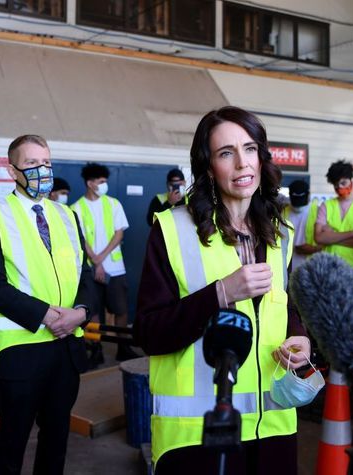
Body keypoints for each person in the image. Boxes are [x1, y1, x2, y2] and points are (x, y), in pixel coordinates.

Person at [134, 106, 310, 474]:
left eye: (250, 149)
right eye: (226, 153)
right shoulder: (171, 229)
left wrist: (299, 337)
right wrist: (221, 293)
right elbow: (149, 333)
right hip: (197, 432)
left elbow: (284, 304)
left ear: (262, 158)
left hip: (273, 425)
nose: (242, 164)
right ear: (209, 167)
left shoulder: (281, 234)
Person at [0, 134, 92, 475]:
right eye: (32, 164)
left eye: (47, 163)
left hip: (66, 349)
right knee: (12, 441)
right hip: (20, 352)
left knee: (56, 441)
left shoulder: (68, 216)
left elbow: (87, 275)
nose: (43, 170)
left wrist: (80, 313)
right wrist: (45, 315)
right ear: (12, 171)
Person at [71, 162, 138, 363]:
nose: (104, 185)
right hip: (91, 271)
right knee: (91, 311)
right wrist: (96, 262)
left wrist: (100, 258)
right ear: (90, 183)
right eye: (101, 182)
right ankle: (95, 349)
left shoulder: (113, 204)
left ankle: (123, 348)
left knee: (121, 310)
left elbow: (119, 234)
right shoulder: (76, 208)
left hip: (115, 269)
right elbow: (80, 239)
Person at [315, 160, 353, 292]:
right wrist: (352, 233)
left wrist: (331, 237)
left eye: (343, 183)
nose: (340, 188)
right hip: (330, 269)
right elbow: (318, 238)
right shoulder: (326, 205)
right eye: (336, 185)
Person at [283, 179, 321, 270]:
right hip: (287, 266)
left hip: (311, 266)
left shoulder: (318, 212)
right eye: (296, 202)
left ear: (308, 196)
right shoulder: (283, 212)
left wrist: (315, 249)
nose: (298, 206)